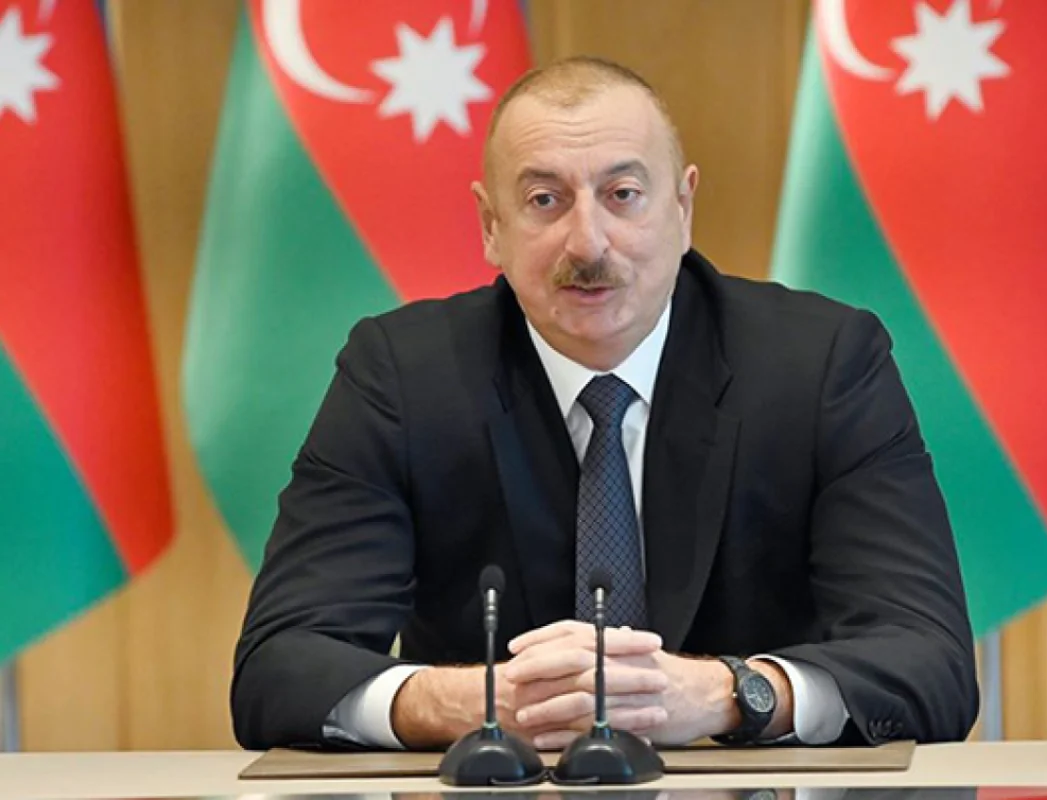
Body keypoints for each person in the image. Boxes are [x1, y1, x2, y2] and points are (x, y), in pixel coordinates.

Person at [231, 56, 978, 752]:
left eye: (623, 195)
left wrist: (730, 694)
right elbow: (278, 668)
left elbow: (930, 663)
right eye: (544, 201)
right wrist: (482, 704)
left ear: (682, 208)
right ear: (491, 226)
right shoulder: (402, 376)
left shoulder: (819, 366)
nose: (587, 243)